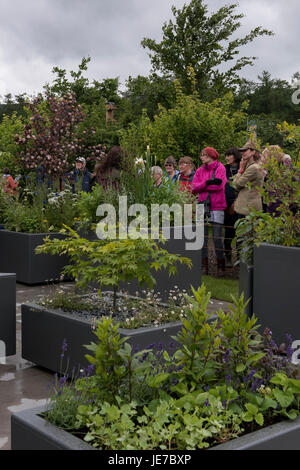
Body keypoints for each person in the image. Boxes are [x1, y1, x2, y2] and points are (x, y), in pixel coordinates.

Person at [192, 147, 227, 276]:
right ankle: (204, 266)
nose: (202, 157)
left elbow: (219, 186)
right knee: (202, 237)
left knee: (217, 237)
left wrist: (203, 186)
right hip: (202, 205)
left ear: (211, 156)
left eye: (204, 155)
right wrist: (207, 182)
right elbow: (194, 188)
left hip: (216, 205)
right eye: (201, 155)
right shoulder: (200, 170)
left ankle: (221, 266)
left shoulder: (220, 168)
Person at [232, 141, 264, 217]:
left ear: (253, 151)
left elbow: (236, 184)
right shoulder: (252, 166)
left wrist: (240, 170)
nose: (242, 153)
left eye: (245, 150)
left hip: (248, 208)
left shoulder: (253, 168)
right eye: (241, 151)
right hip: (247, 207)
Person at [224, 147, 241, 267]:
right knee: (228, 233)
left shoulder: (242, 168)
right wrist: (227, 205)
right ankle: (228, 257)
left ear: (235, 156)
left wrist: (235, 203)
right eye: (226, 155)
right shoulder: (224, 170)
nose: (226, 158)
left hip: (240, 204)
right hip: (226, 204)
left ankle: (240, 259)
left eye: (229, 155)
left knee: (240, 233)